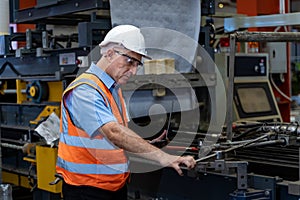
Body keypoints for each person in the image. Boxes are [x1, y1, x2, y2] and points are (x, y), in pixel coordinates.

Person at [56, 24, 196, 200]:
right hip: (86, 190)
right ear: (110, 53)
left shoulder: (113, 89)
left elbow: (112, 136)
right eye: (130, 61)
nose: (134, 71)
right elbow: (114, 133)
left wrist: (146, 142)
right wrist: (164, 158)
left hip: (113, 186)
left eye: (137, 64)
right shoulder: (85, 90)